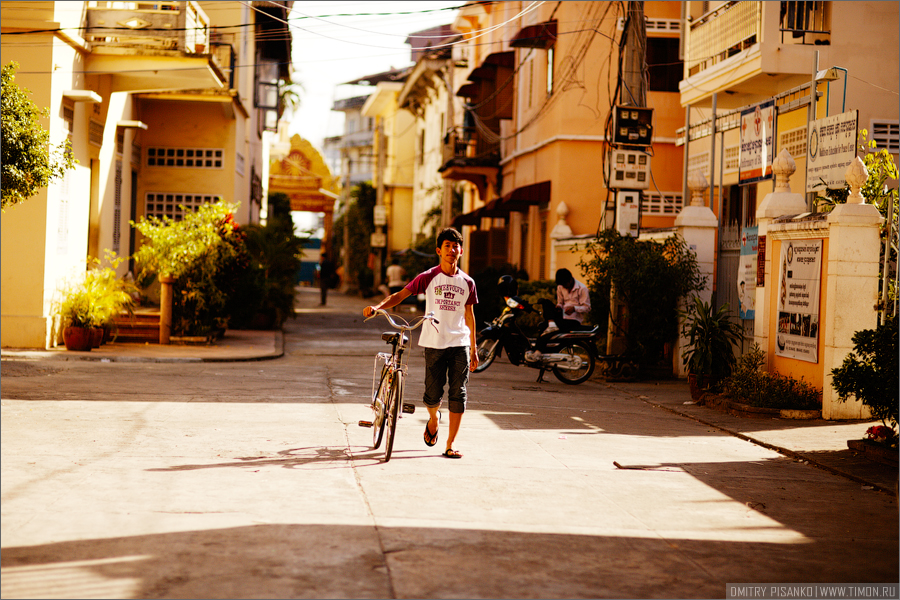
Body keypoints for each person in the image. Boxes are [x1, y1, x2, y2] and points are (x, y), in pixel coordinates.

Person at [363, 228, 478, 459]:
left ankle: (450, 443)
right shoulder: (428, 277)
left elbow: (469, 315)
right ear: (439, 251)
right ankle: (434, 419)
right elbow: (400, 295)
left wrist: (474, 349)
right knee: (432, 395)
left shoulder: (468, 282)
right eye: (447, 246)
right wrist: (378, 307)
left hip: (460, 343)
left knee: (459, 393)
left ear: (461, 251)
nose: (452, 250)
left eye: (455, 246)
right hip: (434, 343)